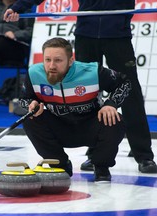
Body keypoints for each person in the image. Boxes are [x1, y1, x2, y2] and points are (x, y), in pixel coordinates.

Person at [4, 0, 157, 174]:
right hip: (86, 34)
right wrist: (18, 7)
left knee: (131, 93)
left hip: (118, 35)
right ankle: (94, 155)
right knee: (88, 93)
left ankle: (144, 156)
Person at [19, 37, 131, 182]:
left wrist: (111, 104)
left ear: (70, 61)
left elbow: (125, 83)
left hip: (91, 126)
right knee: (30, 119)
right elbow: (23, 99)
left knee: (115, 120)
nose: (51, 65)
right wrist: (32, 104)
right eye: (47, 60)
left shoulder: (92, 72)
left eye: (58, 60)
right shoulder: (34, 73)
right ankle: (59, 165)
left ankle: (101, 166)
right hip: (60, 127)